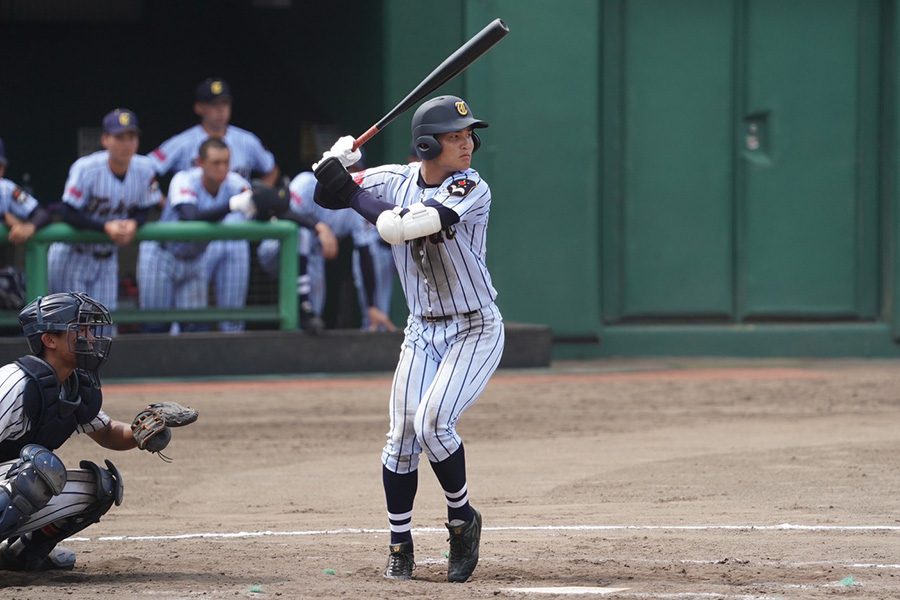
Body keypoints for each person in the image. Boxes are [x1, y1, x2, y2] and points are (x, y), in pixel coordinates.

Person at [312, 95, 504, 582]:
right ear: (425, 144)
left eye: (467, 135)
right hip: (422, 329)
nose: (466, 144)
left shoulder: (470, 186)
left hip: (474, 327)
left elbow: (401, 227)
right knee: (401, 438)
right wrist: (335, 163)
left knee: (435, 422)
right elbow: (326, 195)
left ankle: (462, 521)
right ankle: (400, 544)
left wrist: (347, 186)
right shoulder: (395, 178)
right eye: (454, 136)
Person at [0, 292, 192, 571]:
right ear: (49, 340)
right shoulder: (15, 383)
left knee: (100, 486)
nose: (90, 337)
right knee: (36, 474)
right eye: (80, 329)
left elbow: (107, 432)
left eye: (90, 329)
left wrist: (142, 429)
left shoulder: (72, 385)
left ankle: (22, 554)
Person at [48, 109, 162, 327]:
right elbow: (67, 212)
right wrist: (104, 227)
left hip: (107, 258)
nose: (126, 143)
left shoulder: (145, 168)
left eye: (132, 137)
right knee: (69, 329)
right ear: (105, 140)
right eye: (119, 137)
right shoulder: (87, 168)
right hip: (72, 255)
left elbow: (145, 208)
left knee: (104, 330)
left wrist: (133, 223)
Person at [137, 138, 256, 333]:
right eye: (216, 162)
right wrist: (232, 205)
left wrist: (261, 199)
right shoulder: (184, 179)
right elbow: (189, 216)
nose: (222, 168)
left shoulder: (234, 182)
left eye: (226, 162)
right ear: (200, 163)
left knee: (195, 326)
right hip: (162, 256)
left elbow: (257, 200)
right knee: (155, 324)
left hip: (195, 259)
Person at [148, 77, 279, 186]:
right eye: (214, 104)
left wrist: (256, 198)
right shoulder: (182, 142)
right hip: (194, 212)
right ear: (199, 108)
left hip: (237, 213)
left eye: (225, 103)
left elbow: (271, 170)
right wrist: (164, 202)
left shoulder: (247, 140)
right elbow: (146, 169)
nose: (221, 109)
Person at [0, 137, 52, 245]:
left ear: (3, 169)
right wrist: (4, 217)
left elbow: (42, 214)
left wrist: (28, 227)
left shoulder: (7, 189)